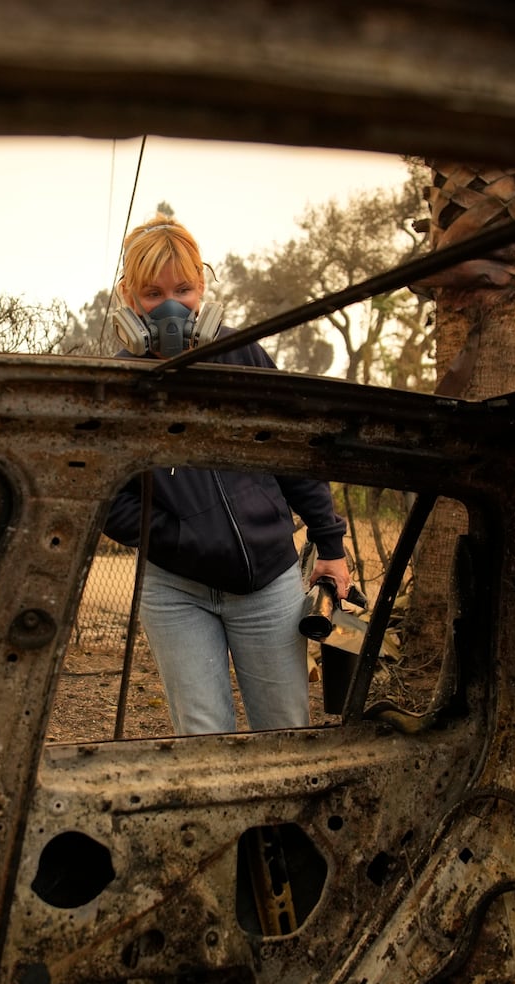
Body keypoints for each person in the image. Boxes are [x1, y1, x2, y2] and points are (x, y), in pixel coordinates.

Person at [102, 216, 352, 735]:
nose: (171, 305)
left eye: (184, 289)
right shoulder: (120, 384)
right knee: (203, 735)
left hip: (270, 584)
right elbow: (106, 495)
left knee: (284, 732)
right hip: (174, 591)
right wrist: (178, 538)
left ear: (204, 287)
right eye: (153, 292)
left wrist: (330, 545)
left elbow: (294, 451)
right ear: (128, 297)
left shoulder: (245, 355)